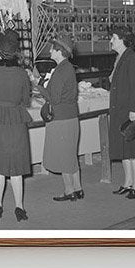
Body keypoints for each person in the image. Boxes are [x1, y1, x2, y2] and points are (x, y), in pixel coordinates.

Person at [0, 29, 32, 222]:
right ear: (16, 51)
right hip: (16, 119)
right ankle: (19, 207)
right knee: (17, 168)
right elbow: (26, 100)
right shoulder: (21, 74)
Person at [108, 26, 135, 200]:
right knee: (123, 149)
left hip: (130, 110)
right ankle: (127, 183)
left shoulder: (132, 58)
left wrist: (133, 110)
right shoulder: (120, 57)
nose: (111, 40)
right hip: (120, 109)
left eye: (114, 38)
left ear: (123, 40)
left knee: (133, 151)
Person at [39, 35, 83, 203]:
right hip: (71, 116)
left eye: (52, 48)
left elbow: (54, 97)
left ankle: (69, 190)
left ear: (59, 51)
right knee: (71, 155)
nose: (50, 51)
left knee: (64, 155)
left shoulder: (61, 70)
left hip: (60, 118)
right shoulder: (68, 68)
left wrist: (40, 87)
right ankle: (78, 188)